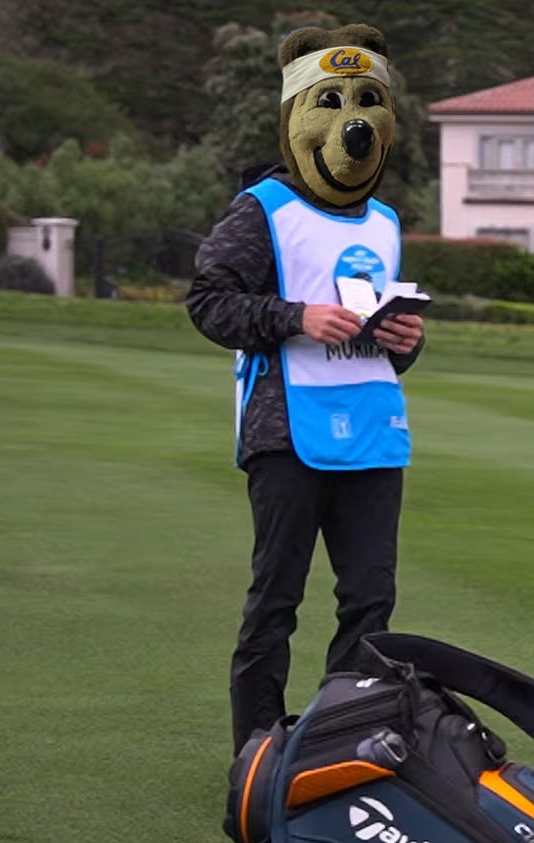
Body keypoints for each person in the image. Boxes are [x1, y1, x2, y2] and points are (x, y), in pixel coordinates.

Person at [186, 22, 426, 755]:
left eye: (370, 103)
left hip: (374, 430)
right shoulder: (263, 208)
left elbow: (376, 330)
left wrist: (405, 341)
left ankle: (342, 746)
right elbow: (208, 302)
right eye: (333, 102)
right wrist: (296, 317)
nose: (356, 123)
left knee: (371, 602)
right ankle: (258, 757)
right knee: (276, 602)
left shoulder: (385, 222)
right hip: (286, 431)